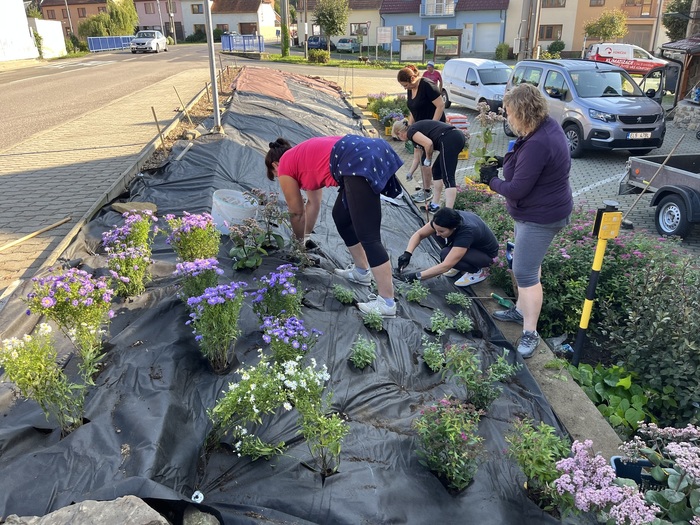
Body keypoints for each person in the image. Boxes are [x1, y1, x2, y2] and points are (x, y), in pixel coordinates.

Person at [480, 83, 573, 359]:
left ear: (522, 112)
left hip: (540, 217)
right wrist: (504, 160)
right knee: (530, 266)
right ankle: (520, 310)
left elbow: (517, 189)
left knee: (524, 272)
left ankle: (530, 333)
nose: (507, 117)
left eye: (509, 112)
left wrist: (491, 181)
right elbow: (527, 163)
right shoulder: (543, 126)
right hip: (536, 211)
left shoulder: (539, 142)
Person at [265, 135, 403, 317]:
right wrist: (305, 238)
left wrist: (298, 245)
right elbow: (313, 203)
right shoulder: (301, 158)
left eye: (276, 175)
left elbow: (297, 213)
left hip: (358, 159)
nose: (280, 178)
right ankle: (361, 271)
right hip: (368, 151)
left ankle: (387, 302)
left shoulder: (285, 165)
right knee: (341, 217)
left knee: (369, 236)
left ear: (275, 165)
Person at [396, 207, 499, 287]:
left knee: (445, 254)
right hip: (470, 246)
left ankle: (478, 271)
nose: (437, 233)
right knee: (438, 239)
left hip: (485, 255)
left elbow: (446, 266)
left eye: (441, 231)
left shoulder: (467, 232)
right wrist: (407, 253)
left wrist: (417, 276)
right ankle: (458, 262)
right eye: (436, 229)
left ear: (454, 228)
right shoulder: (444, 218)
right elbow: (419, 234)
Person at [396, 64, 446, 206]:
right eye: (403, 86)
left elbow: (440, 105)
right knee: (419, 156)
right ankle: (426, 189)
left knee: (425, 159)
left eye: (406, 85)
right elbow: (413, 110)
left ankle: (428, 191)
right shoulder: (410, 89)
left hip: (433, 128)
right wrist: (410, 127)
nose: (405, 88)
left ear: (412, 78)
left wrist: (433, 125)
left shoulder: (427, 85)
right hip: (419, 128)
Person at [392, 118, 464, 212]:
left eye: (398, 138)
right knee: (436, 171)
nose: (400, 140)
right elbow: (417, 158)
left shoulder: (411, 132)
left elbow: (429, 144)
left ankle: (448, 212)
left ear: (399, 133)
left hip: (450, 138)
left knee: (448, 177)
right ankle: (435, 205)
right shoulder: (414, 134)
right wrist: (410, 172)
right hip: (453, 137)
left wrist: (428, 158)